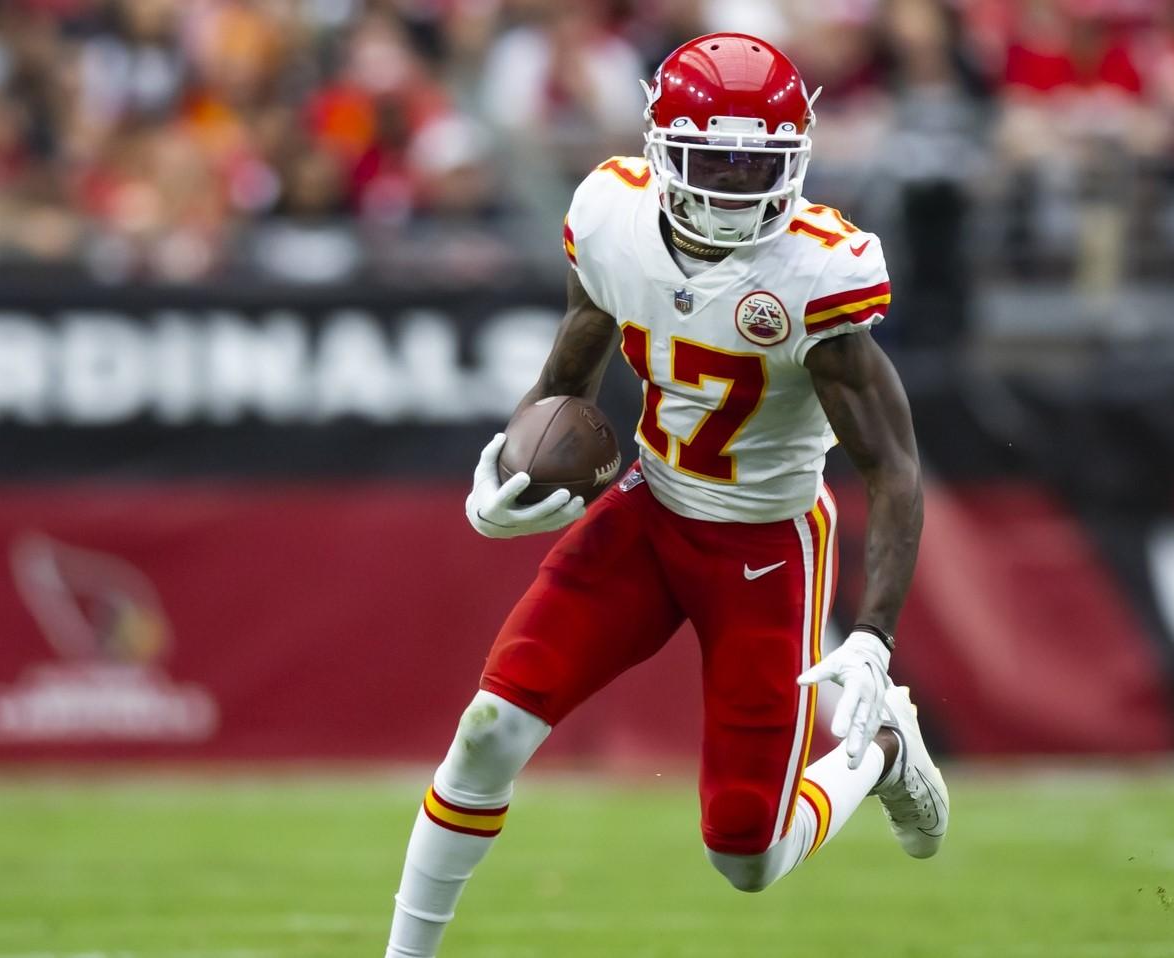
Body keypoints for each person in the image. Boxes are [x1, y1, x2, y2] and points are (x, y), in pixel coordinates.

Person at [384, 33, 948, 958]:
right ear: (662, 148)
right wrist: (511, 459)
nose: (733, 184)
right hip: (649, 509)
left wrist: (874, 640)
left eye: (755, 162)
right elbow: (578, 346)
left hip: (766, 547)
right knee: (488, 728)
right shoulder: (611, 216)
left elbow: (893, 469)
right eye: (713, 156)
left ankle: (883, 748)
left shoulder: (819, 272)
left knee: (746, 856)